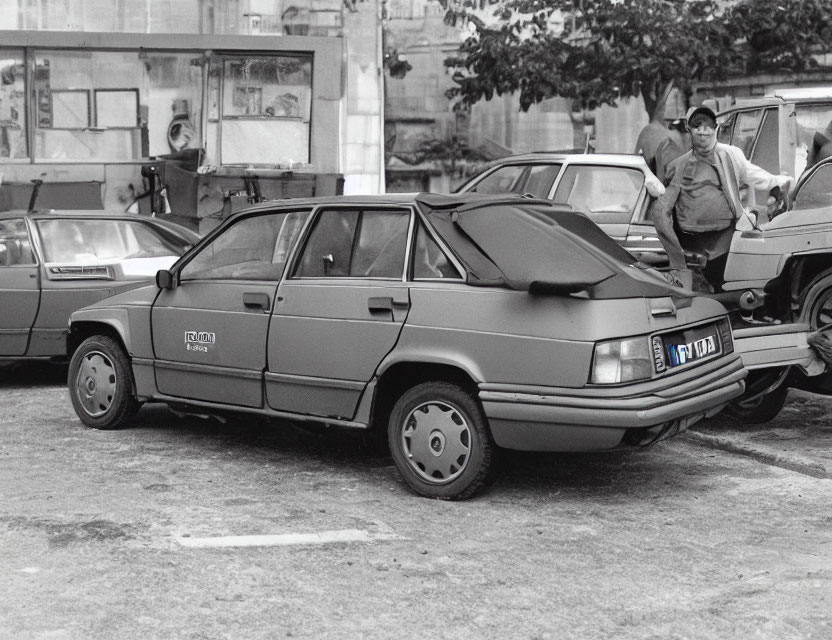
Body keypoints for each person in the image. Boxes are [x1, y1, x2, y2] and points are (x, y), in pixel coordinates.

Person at [651, 105, 795, 289]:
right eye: (697, 126)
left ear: (716, 129)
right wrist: (676, 255)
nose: (703, 132)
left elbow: (753, 174)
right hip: (694, 247)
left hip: (728, 242)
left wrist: (779, 182)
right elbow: (661, 210)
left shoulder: (731, 155)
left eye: (708, 127)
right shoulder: (679, 166)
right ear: (689, 130)